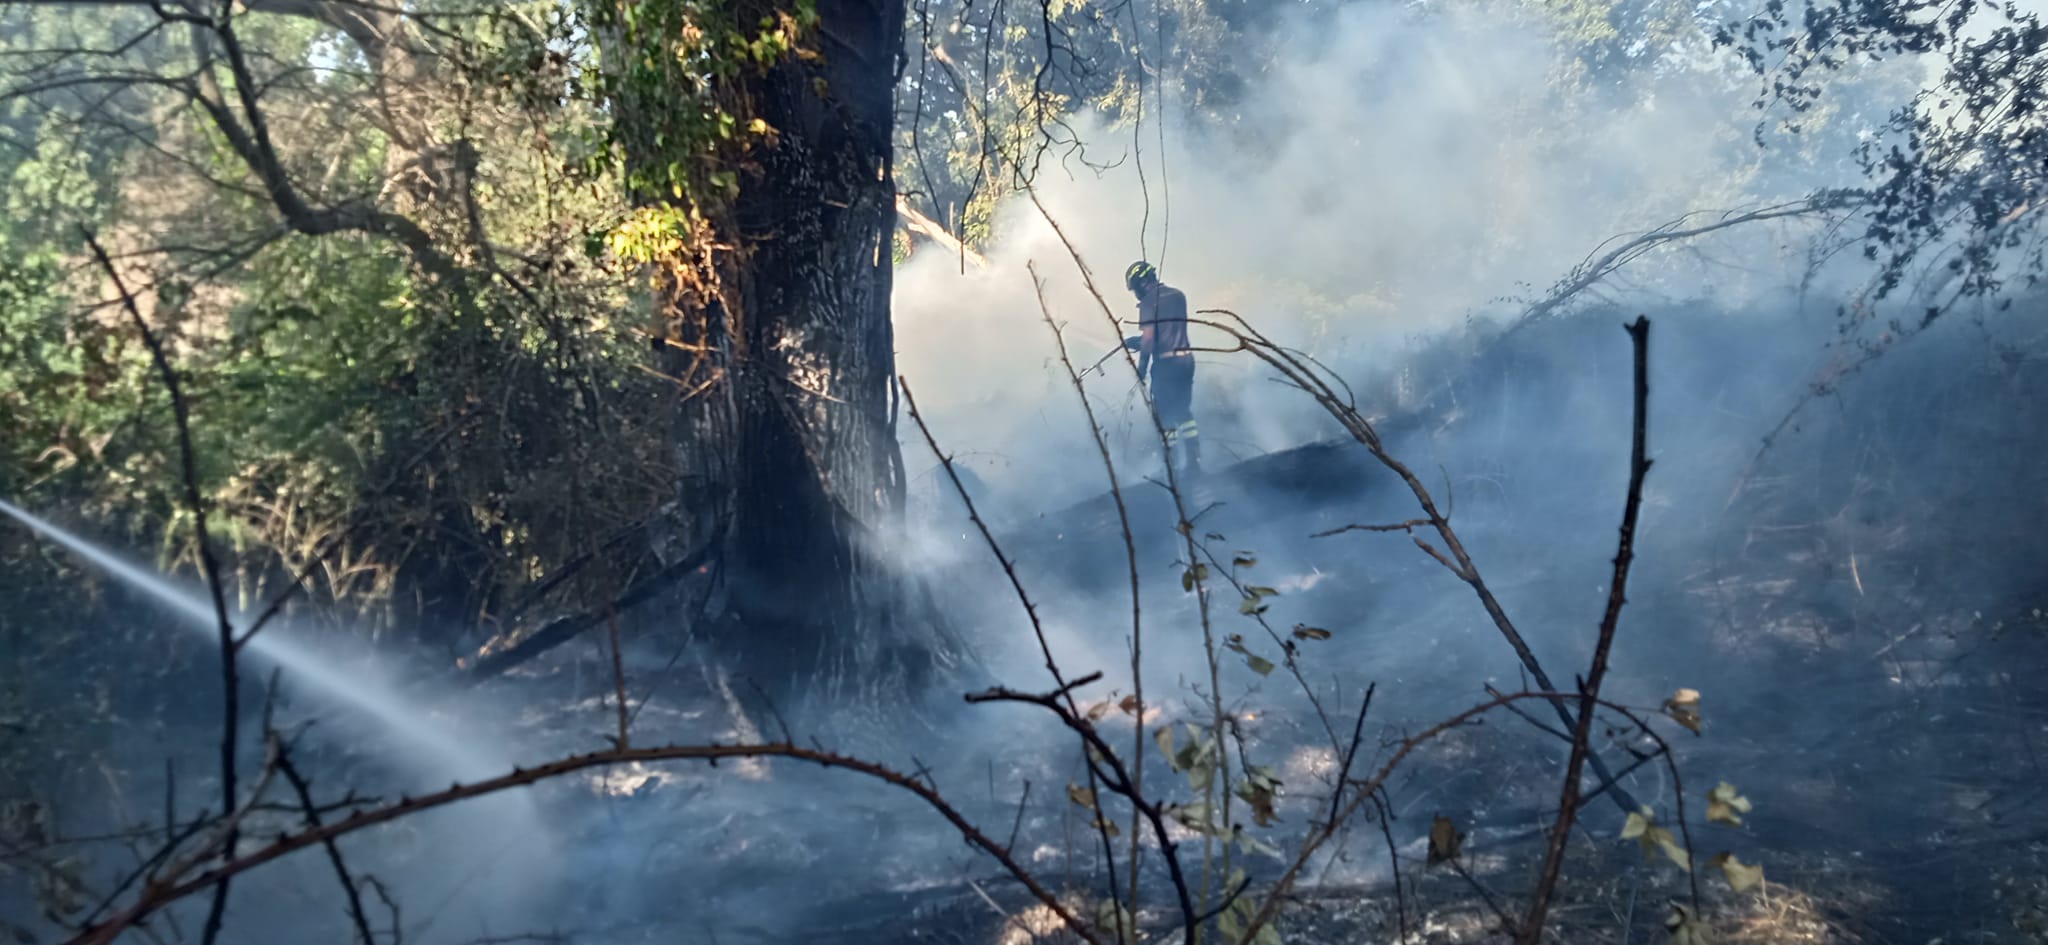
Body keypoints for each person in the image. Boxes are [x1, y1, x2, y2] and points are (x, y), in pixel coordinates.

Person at [1121, 261, 1200, 476]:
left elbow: (1149, 340)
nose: (1136, 293)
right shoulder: (1178, 295)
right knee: (1184, 412)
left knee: (1164, 416)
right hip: (1186, 361)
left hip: (1166, 365)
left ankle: (1171, 467)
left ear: (1143, 282)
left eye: (1136, 287)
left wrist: (1142, 368)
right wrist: (1136, 341)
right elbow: (1167, 330)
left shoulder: (1149, 303)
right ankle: (1194, 462)